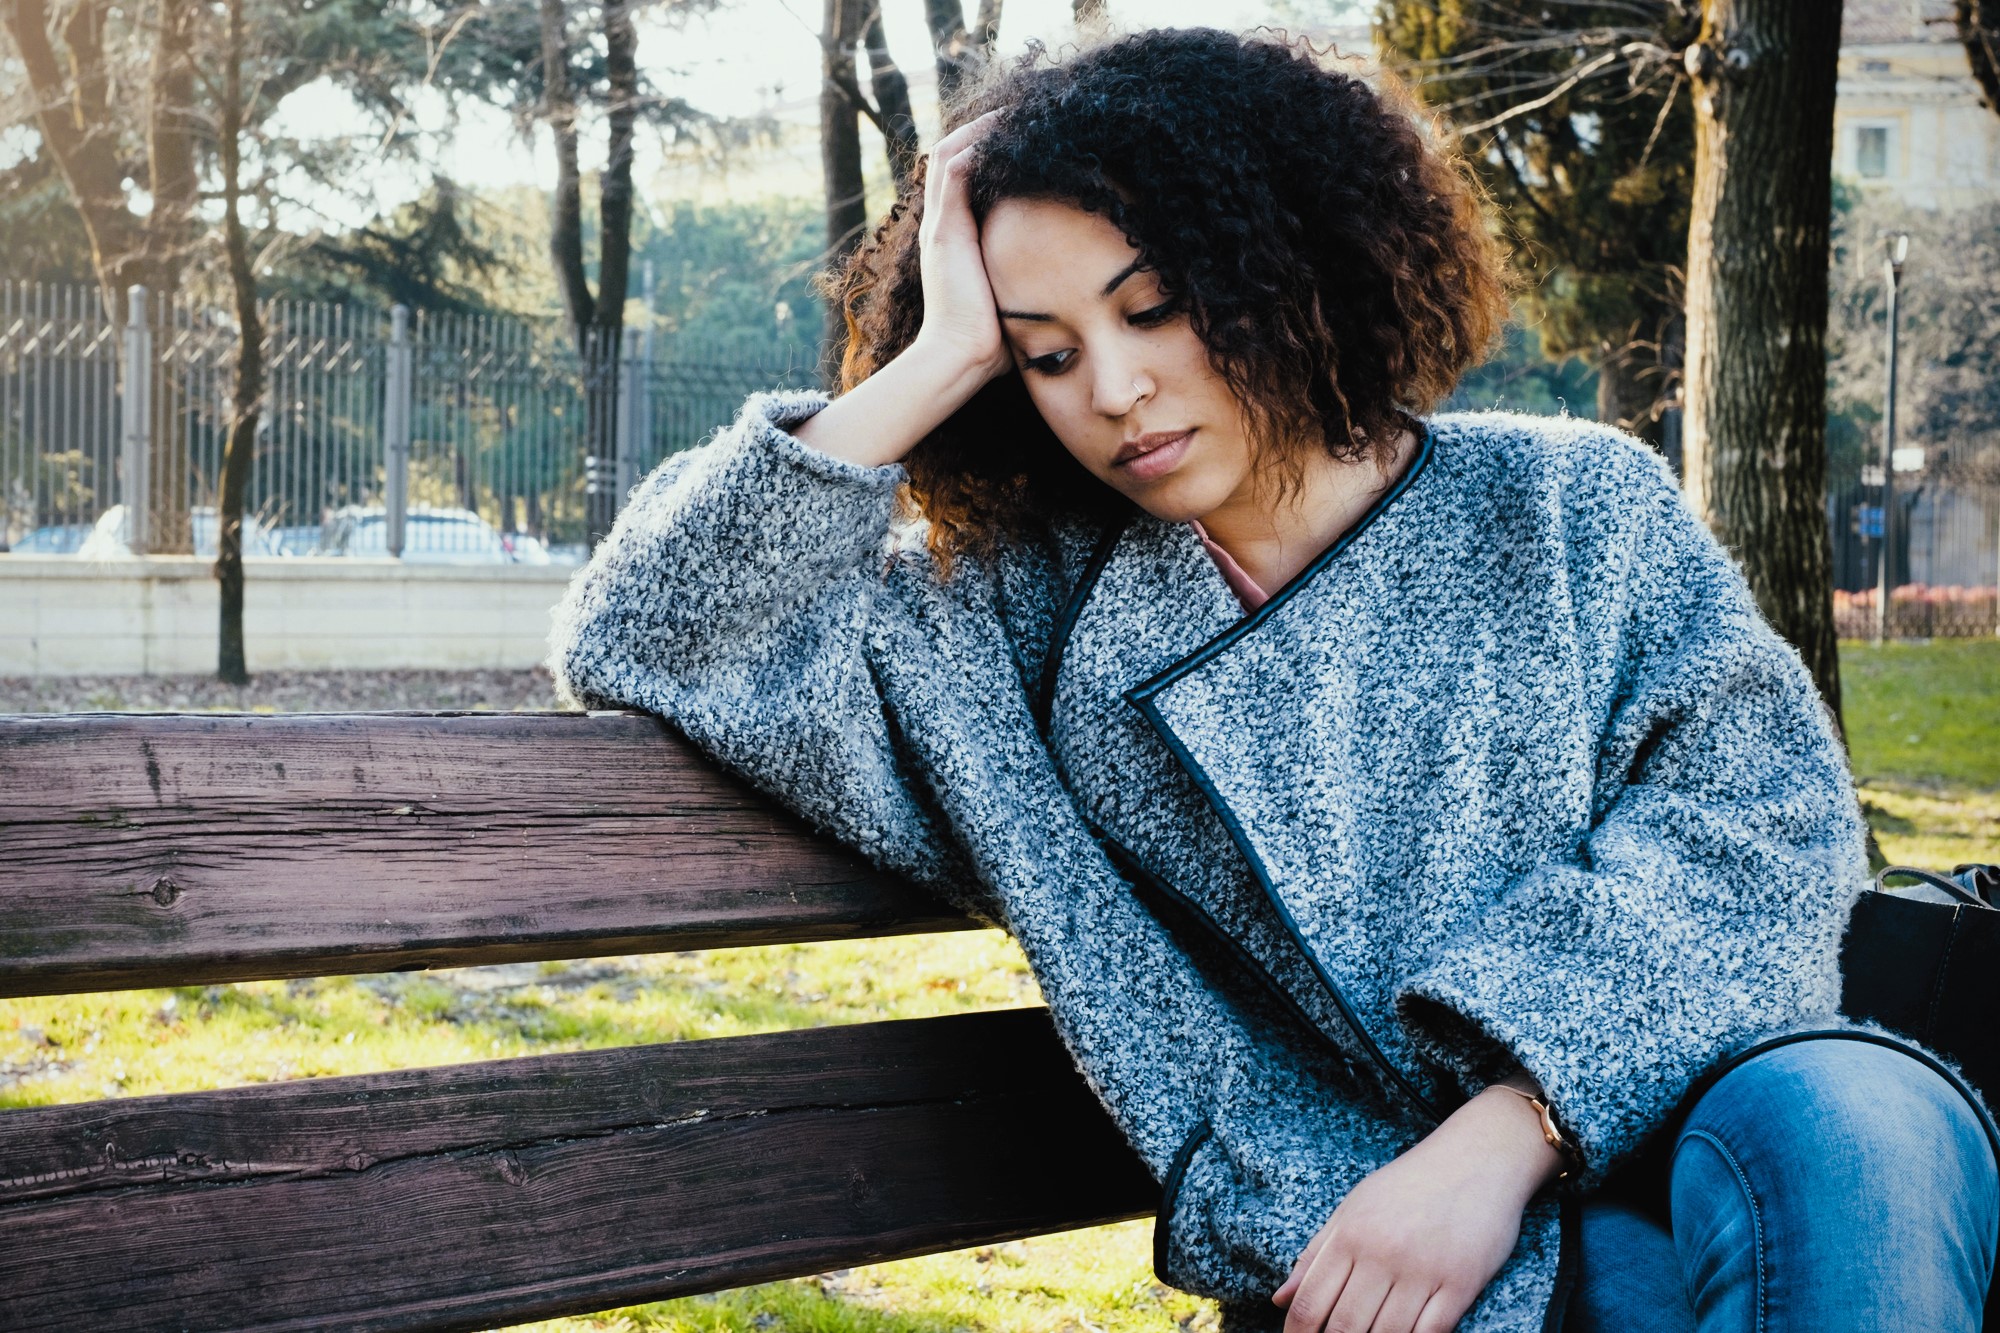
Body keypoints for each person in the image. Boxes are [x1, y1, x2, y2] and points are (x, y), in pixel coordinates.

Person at [549, 27, 1998, 1333]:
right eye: (1047, 353)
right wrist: (936, 361)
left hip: (1683, 1136)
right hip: (1379, 1267)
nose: (1112, 390)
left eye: (1155, 307)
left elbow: (1763, 826)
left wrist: (1513, 1128)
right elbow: (653, 633)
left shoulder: (1571, 510)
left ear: (1281, 260)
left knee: (1857, 1115)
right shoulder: (1009, 636)